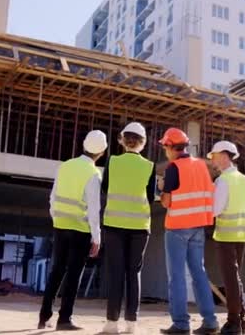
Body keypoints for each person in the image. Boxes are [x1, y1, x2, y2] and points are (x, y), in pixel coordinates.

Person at [38, 130, 108, 331]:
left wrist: (56, 218)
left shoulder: (65, 166)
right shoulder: (93, 173)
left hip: (60, 225)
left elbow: (53, 196)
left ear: (83, 145)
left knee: (56, 271)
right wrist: (97, 237)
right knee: (73, 274)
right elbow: (94, 209)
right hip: (80, 229)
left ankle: (44, 317)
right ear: (102, 152)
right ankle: (64, 319)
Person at [158, 127, 219, 335]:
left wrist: (161, 187)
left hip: (177, 228)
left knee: (176, 276)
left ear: (170, 146)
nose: (164, 151)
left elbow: (166, 202)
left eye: (165, 146)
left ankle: (181, 324)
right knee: (199, 274)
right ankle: (210, 322)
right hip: (198, 227)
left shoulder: (173, 167)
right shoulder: (202, 165)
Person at [101, 122, 156, 334]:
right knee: (134, 273)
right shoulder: (149, 166)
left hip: (114, 224)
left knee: (116, 273)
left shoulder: (112, 161)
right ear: (142, 143)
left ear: (123, 140)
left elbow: (105, 188)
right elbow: (150, 198)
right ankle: (132, 324)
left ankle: (111, 323)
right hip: (140, 227)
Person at [207, 141, 245, 335]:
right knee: (235, 279)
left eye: (215, 156)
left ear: (225, 156)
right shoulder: (244, 180)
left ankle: (233, 323)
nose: (213, 161)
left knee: (230, 280)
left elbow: (215, 210)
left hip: (227, 234)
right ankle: (240, 322)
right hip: (243, 234)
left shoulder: (223, 180)